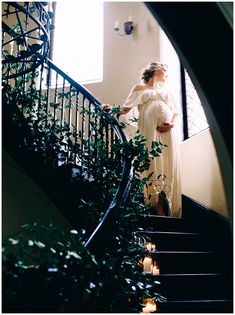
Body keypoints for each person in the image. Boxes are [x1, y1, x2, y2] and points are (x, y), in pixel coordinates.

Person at [103, 61, 182, 217]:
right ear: (156, 70)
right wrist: (111, 109)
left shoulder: (167, 91)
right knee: (153, 163)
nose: (166, 75)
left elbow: (177, 113)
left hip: (167, 133)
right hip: (149, 130)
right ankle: (154, 205)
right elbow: (125, 109)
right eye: (164, 71)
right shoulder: (139, 89)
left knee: (166, 165)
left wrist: (171, 125)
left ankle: (163, 204)